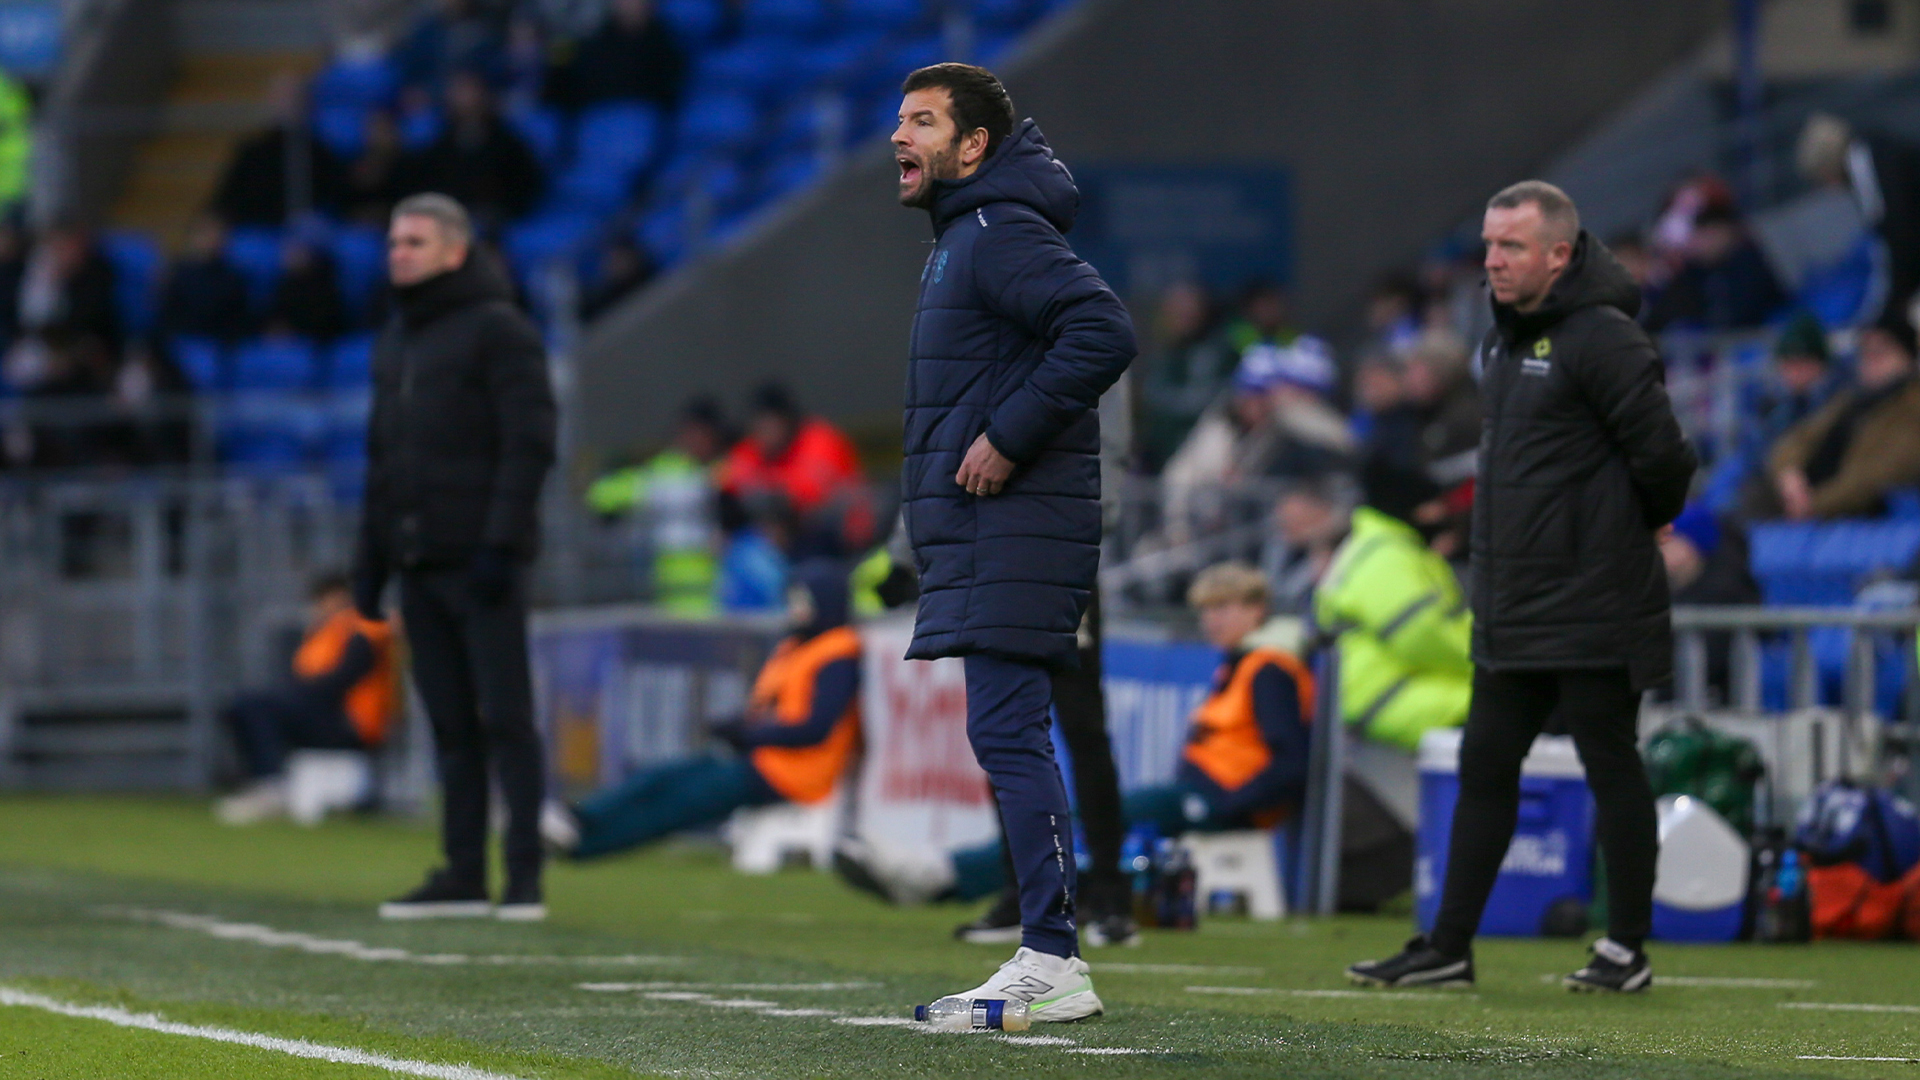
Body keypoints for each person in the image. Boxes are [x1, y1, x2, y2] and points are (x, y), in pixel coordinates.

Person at [1349, 181, 1695, 994]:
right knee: (1484, 766)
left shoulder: (1603, 338)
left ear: (1559, 254)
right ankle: (1447, 946)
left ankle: (1626, 950)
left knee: (1609, 762)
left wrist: (1636, 523)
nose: (1493, 262)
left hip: (1593, 595)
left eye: (1510, 248)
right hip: (1514, 600)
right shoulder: (1503, 339)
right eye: (1489, 245)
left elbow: (1668, 458)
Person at [875, 62, 1133, 1021]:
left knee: (1011, 735)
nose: (900, 138)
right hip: (994, 533)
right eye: (898, 120)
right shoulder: (967, 235)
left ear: (973, 147)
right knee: (1009, 734)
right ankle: (1047, 947)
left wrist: (1007, 434)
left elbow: (1103, 329)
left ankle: (1052, 956)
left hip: (1017, 526)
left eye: (923, 122)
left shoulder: (994, 231)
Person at [835, 562, 1312, 909]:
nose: (1213, 620)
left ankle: (940, 874)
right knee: (1086, 819)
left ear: (1258, 610)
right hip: (1203, 794)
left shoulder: (1269, 669)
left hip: (1214, 798)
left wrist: (1226, 804)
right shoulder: (1244, 665)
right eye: (1208, 610)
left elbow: (1290, 760)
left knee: (1090, 815)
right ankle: (951, 878)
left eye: (1225, 608)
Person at [353, 193, 556, 922]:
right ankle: (464, 873)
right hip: (417, 564)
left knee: (506, 717)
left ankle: (524, 878)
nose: (397, 252)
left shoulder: (498, 330)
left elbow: (528, 443)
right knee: (447, 724)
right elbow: (382, 463)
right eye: (392, 241)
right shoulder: (396, 340)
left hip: (480, 563)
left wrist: (500, 544)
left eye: (413, 240)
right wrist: (369, 566)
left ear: (454, 250)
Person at [540, 561, 861, 858]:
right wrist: (739, 729)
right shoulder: (800, 647)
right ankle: (578, 819)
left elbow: (815, 728)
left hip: (789, 774)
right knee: (662, 777)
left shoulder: (836, 654)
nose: (794, 609)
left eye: (802, 601)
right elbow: (775, 708)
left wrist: (750, 735)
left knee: (676, 805)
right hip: (763, 759)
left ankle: (582, 846)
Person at [1308, 459, 1472, 752]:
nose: (1440, 513)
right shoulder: (1386, 556)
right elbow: (1422, 636)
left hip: (1391, 691)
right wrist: (1491, 664)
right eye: (1433, 505)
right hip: (1390, 698)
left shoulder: (1379, 545)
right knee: (1519, 706)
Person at [215, 573, 399, 824]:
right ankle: (266, 781)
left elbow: (342, 679)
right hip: (328, 716)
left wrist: (294, 695)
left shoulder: (363, 627)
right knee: (246, 705)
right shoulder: (323, 632)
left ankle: (272, 784)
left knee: (260, 706)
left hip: (353, 724)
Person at [1766, 312, 1920, 520]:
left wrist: (1814, 504)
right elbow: (1798, 439)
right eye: (1866, 353)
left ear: (1907, 356)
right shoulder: (1851, 400)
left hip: (1864, 519)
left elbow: (1877, 477)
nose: (1871, 362)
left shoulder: (1912, 408)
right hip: (1814, 509)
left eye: (1880, 353)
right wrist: (1789, 476)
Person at [586, 396, 729, 615]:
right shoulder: (667, 473)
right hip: (671, 598)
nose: (694, 439)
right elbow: (601, 494)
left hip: (722, 598)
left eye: (702, 433)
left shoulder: (730, 470)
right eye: (690, 432)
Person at [716, 382, 869, 551]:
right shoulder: (751, 449)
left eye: (772, 424)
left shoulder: (820, 440)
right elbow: (727, 487)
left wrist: (769, 488)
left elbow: (812, 499)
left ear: (788, 421)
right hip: (784, 546)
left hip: (838, 541)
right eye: (760, 426)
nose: (766, 433)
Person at [407, 71, 544, 230]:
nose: (462, 98)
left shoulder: (509, 144)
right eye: (457, 91)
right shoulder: (439, 146)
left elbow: (524, 186)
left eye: (468, 90)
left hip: (499, 221)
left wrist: (497, 212)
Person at [212, 72, 343, 228]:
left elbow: (335, 198)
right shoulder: (252, 150)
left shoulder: (323, 149)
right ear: (271, 100)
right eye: (282, 97)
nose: (289, 103)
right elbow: (228, 198)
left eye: (294, 97)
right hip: (261, 229)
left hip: (312, 229)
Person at [548, 0, 688, 112]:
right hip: (599, 115)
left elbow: (668, 90)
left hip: (644, 117)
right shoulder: (596, 43)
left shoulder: (664, 43)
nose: (629, 4)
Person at [157, 215, 255, 342]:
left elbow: (238, 318)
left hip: (220, 343)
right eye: (206, 234)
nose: (212, 240)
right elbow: (167, 316)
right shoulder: (178, 273)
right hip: (181, 340)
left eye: (217, 234)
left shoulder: (233, 278)